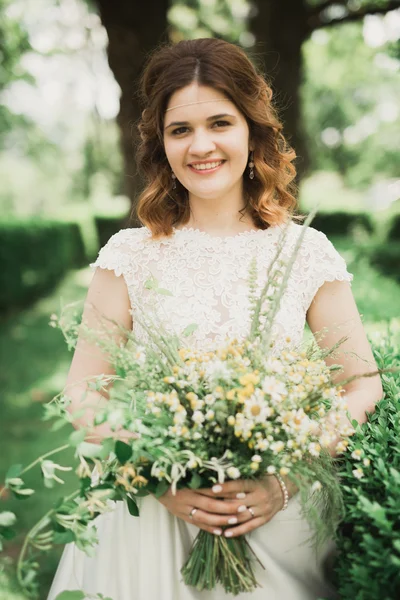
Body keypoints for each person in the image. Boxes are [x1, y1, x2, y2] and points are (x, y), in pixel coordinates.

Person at [48, 38, 383, 600]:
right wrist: (155, 476)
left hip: (281, 517)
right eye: (181, 130)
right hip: (150, 524)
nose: (201, 145)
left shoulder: (306, 251)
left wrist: (286, 480)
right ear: (162, 144)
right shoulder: (129, 255)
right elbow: (84, 391)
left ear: (252, 131)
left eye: (220, 123)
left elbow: (361, 382)